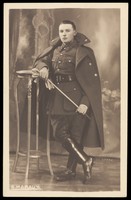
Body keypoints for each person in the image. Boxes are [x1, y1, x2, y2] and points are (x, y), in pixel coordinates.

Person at [32, 20, 104, 184]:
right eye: (61, 31)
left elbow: (92, 83)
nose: (63, 34)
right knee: (60, 133)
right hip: (57, 97)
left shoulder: (84, 52)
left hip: (77, 99)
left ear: (74, 32)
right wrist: (44, 69)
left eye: (67, 31)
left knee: (75, 137)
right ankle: (86, 160)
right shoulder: (54, 49)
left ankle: (71, 171)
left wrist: (86, 103)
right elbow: (40, 60)